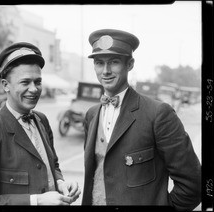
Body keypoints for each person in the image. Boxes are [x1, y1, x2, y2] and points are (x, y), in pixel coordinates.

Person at [81, 29, 201, 210]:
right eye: (99, 63)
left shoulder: (158, 113)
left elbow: (194, 184)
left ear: (130, 64)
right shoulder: (91, 115)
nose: (105, 71)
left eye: (114, 62)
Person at [0, 42, 81, 205]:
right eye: (25, 82)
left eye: (38, 82)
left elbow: (52, 164)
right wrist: (37, 201)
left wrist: (60, 183)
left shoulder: (42, 120)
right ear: (6, 85)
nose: (34, 89)